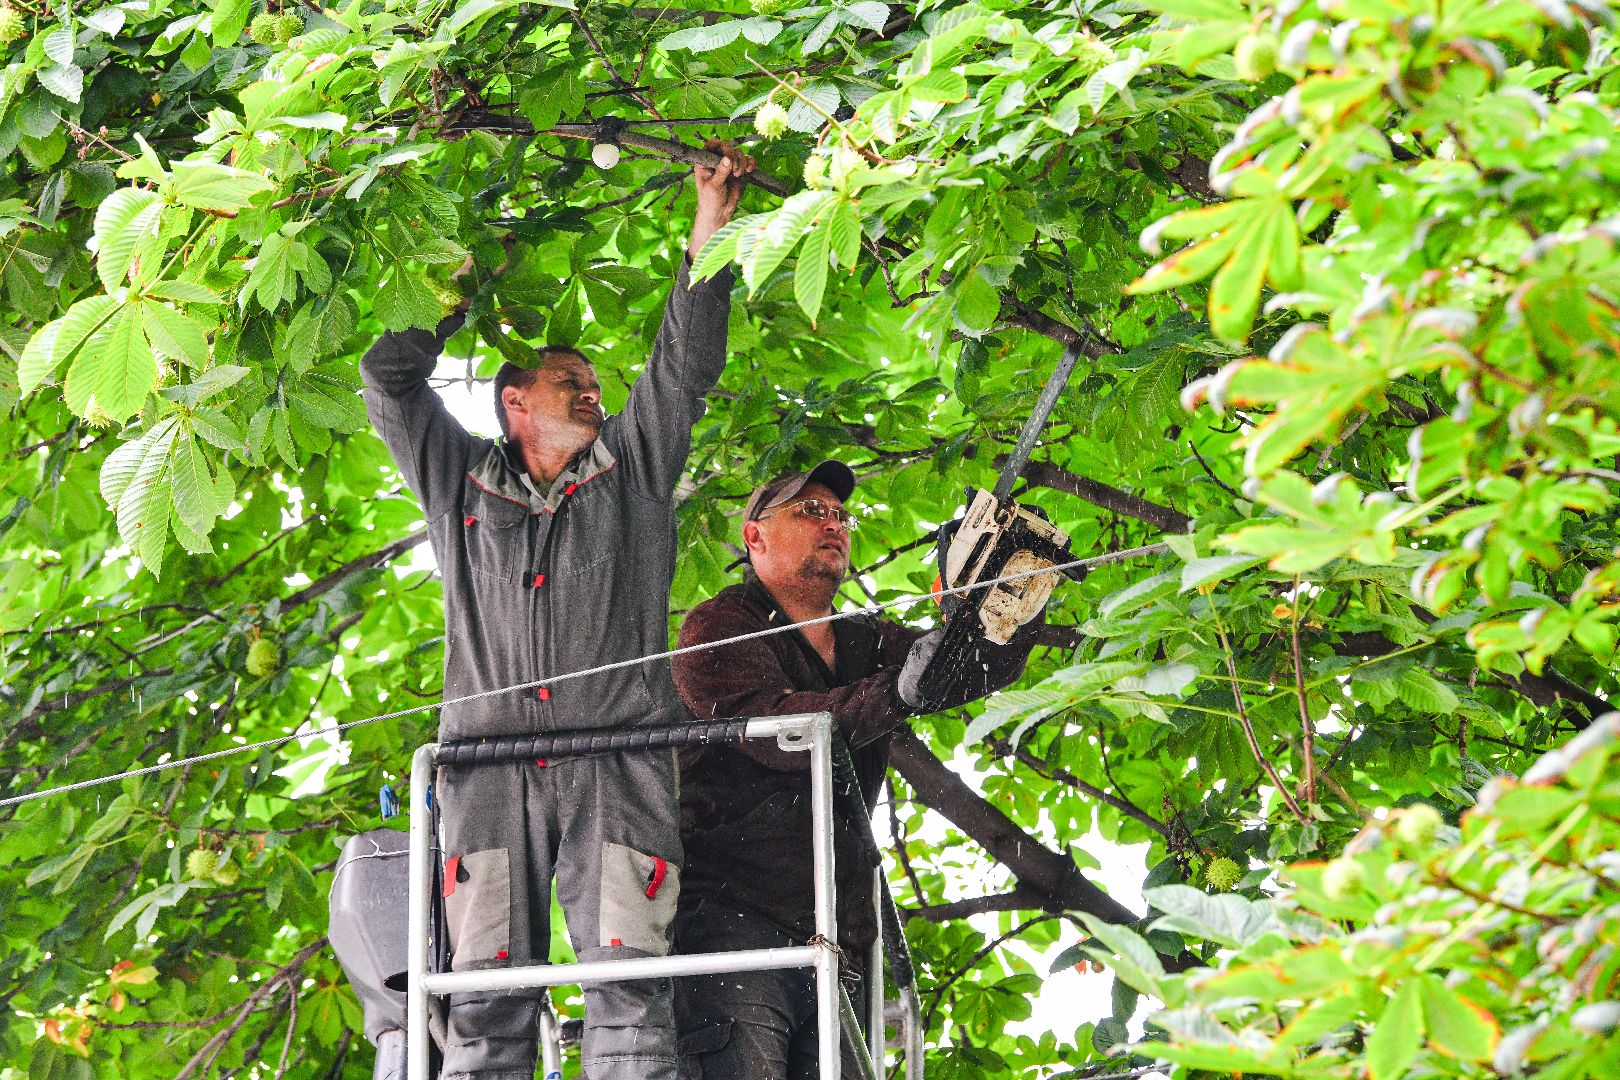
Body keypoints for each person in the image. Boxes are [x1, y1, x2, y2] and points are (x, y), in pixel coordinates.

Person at [358, 145, 754, 1080]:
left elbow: (683, 365)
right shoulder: (457, 483)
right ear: (514, 404)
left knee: (628, 990)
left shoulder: (636, 467)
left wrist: (713, 225)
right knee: (484, 999)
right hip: (485, 778)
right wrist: (453, 292)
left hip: (617, 768)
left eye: (594, 383)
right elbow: (386, 382)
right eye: (570, 381)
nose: (594, 392)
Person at [669, 461, 1044, 1078]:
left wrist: (995, 607)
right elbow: (782, 731)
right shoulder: (719, 627)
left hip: (837, 936)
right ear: (754, 536)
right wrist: (898, 690)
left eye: (840, 515)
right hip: (734, 923)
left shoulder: (861, 640)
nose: (833, 524)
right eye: (809, 511)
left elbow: (959, 672)